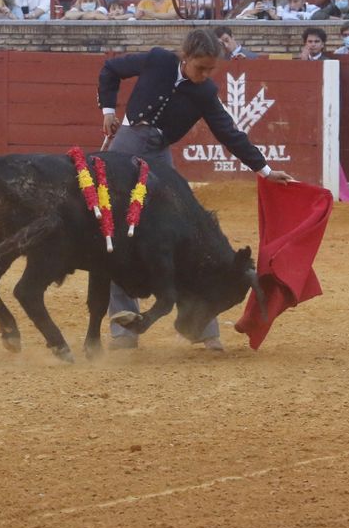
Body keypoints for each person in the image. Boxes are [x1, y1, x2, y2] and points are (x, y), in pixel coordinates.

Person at [98, 29, 298, 350]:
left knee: (184, 234)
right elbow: (110, 70)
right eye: (200, 68)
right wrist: (108, 110)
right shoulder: (158, 60)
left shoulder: (204, 93)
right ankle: (123, 332)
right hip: (124, 148)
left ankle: (202, 327)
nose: (204, 75)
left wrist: (265, 169)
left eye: (210, 70)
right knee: (116, 234)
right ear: (185, 56)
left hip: (159, 155)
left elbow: (229, 133)